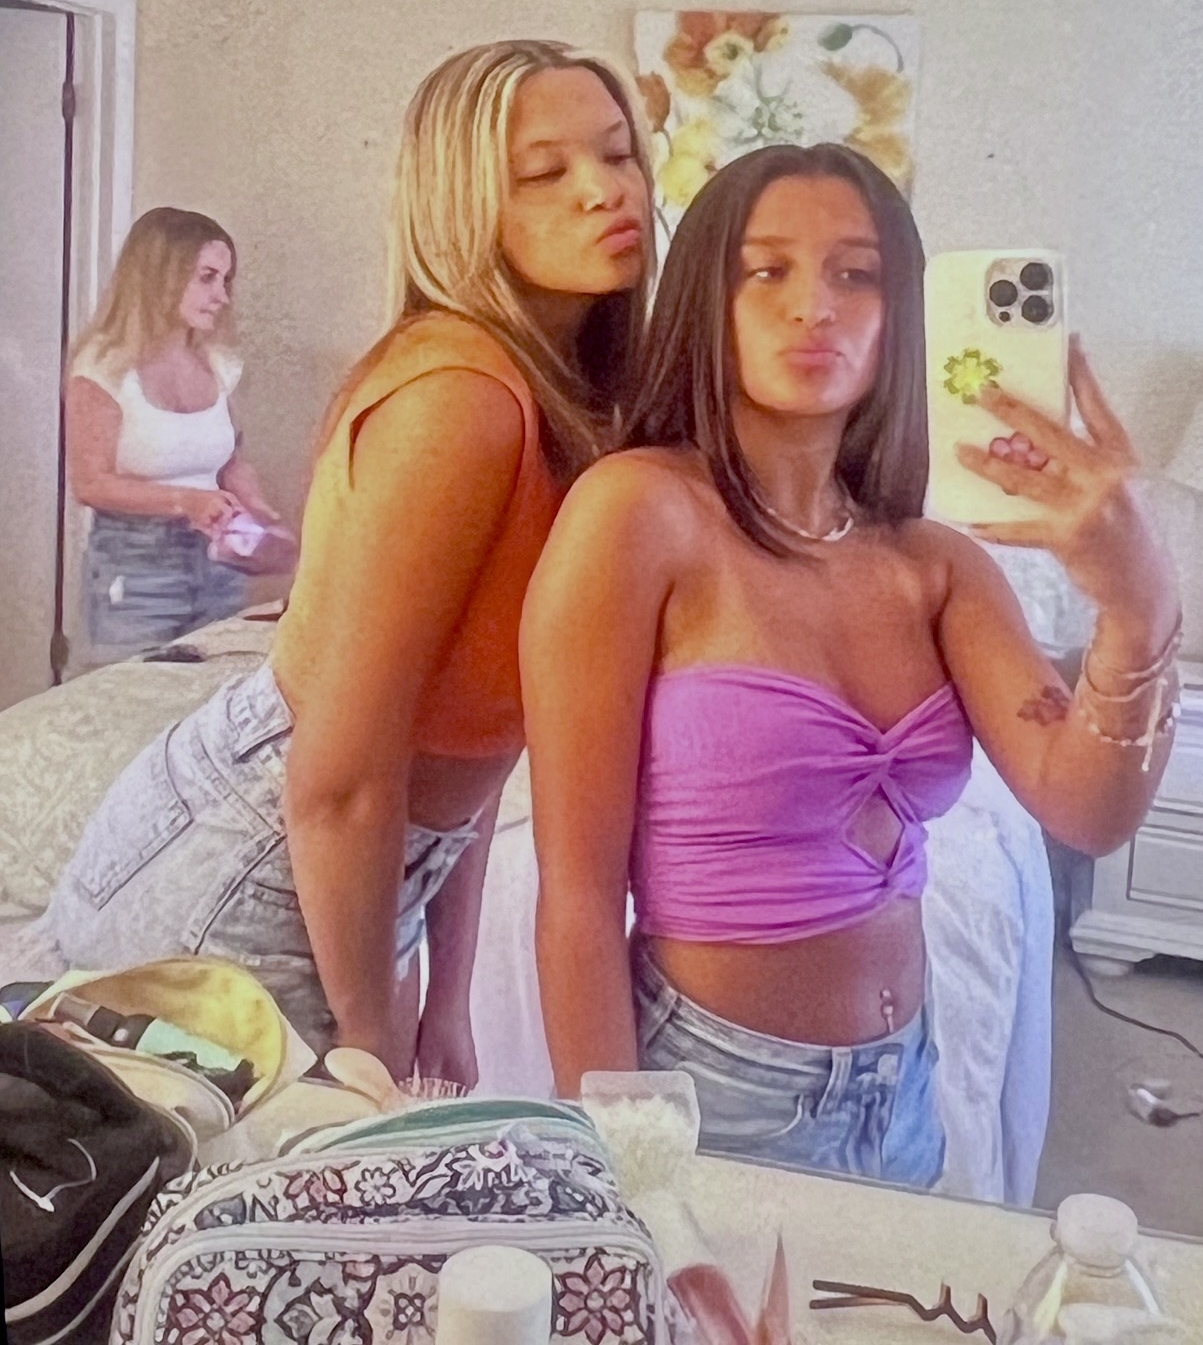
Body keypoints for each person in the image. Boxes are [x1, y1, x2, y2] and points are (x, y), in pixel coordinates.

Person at [521, 143, 1180, 1182]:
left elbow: (1086, 809)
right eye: (766, 269)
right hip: (713, 1088)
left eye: (856, 274)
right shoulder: (637, 511)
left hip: (904, 1081)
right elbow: (577, 892)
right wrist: (627, 1174)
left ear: (899, 316)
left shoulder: (936, 564)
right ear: (705, 300)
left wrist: (1139, 607)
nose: (813, 306)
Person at [20, 40, 652, 1085]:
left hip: (349, 854)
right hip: (252, 853)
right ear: (461, 205)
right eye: (544, 172)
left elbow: (472, 739)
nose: (602, 190)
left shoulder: (570, 402)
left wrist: (446, 995)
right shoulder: (458, 401)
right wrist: (370, 1030)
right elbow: (339, 770)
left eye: (618, 153)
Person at [68, 207, 282, 662]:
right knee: (130, 689)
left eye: (225, 280)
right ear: (160, 276)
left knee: (210, 688)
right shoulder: (103, 367)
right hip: (136, 568)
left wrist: (257, 510)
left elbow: (230, 460)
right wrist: (188, 502)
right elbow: (91, 483)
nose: (221, 296)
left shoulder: (219, 363)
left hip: (217, 561)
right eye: (207, 278)